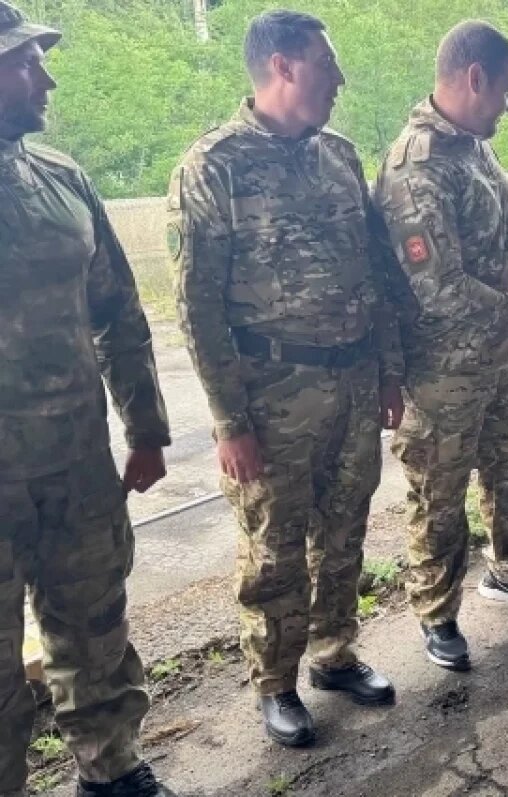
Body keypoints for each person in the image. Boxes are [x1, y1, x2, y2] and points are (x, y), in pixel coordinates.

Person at [171, 10, 404, 748]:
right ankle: (276, 680)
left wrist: (388, 371)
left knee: (345, 527)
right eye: (325, 66)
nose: (338, 79)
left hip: (353, 381)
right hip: (272, 393)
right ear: (281, 66)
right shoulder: (214, 166)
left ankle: (335, 653)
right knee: (273, 544)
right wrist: (228, 421)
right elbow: (195, 306)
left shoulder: (339, 154)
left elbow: (377, 271)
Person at [0, 3, 175, 794]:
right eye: (25, 62)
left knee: (94, 629)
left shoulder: (61, 177)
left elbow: (118, 310)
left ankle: (113, 770)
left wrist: (145, 426)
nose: (47, 77)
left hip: (74, 459)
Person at [373, 20, 508, 671]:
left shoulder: (473, 148)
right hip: (441, 374)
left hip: (494, 360)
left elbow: (494, 254)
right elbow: (439, 286)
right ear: (475, 78)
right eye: (506, 91)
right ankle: (437, 612)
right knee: (440, 495)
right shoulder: (418, 165)